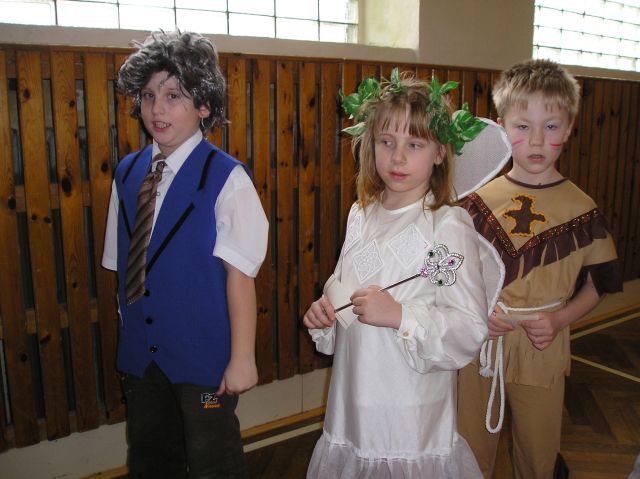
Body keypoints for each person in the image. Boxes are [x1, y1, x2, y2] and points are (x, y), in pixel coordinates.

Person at [302, 70, 506, 478]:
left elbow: (467, 327)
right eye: (387, 142)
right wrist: (324, 315)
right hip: (352, 410)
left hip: (409, 420)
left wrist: (400, 315)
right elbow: (344, 294)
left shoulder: (446, 227)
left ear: (439, 153)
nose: (397, 157)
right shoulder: (361, 215)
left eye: (414, 144)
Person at [101, 30, 268, 478]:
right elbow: (123, 265)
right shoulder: (127, 173)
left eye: (173, 96)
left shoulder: (227, 179)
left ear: (204, 106)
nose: (157, 109)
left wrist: (242, 358)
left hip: (206, 364)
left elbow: (240, 276)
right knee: (151, 455)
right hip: (143, 359)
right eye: (149, 95)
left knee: (214, 455)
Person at [457, 59, 623, 479]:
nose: (536, 140)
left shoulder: (581, 208)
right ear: (501, 127)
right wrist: (476, 310)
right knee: (468, 448)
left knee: (538, 452)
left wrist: (560, 319)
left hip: (542, 345)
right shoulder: (475, 201)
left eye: (550, 127)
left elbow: (599, 283)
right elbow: (454, 272)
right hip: (481, 342)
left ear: (568, 129)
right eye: (522, 126)